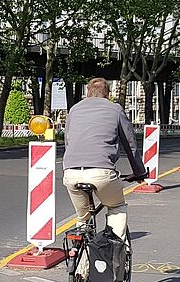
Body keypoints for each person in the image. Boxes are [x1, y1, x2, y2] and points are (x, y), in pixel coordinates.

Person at [62, 77, 147, 240]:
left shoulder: (74, 109)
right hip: (102, 172)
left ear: (87, 93)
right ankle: (115, 252)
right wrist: (139, 172)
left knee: (83, 217)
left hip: (71, 172)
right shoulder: (115, 109)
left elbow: (68, 141)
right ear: (107, 94)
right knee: (116, 207)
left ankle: (80, 261)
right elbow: (130, 144)